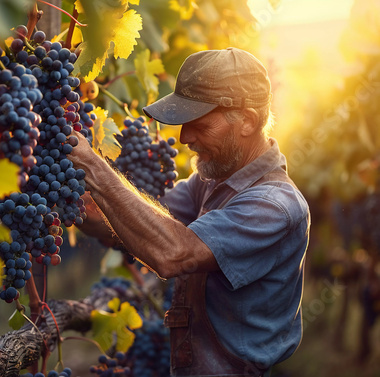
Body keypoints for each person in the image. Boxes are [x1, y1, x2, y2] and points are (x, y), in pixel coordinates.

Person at [69, 47, 310, 377]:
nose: (184, 137)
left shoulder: (274, 206)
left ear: (248, 121)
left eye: (199, 124)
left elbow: (173, 252)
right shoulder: (211, 182)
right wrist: (63, 194)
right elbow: (140, 222)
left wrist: (92, 165)